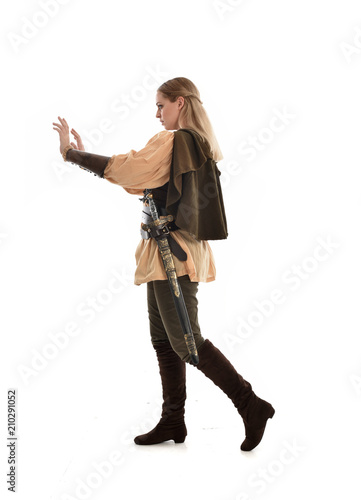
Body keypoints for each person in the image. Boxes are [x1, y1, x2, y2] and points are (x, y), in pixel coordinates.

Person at [52, 77, 275, 451]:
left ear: (181, 103)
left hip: (174, 254)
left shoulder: (174, 141)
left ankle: (251, 405)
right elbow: (141, 179)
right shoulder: (194, 145)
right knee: (164, 340)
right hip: (164, 252)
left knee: (187, 341)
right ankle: (173, 420)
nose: (157, 113)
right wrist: (95, 160)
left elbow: (129, 170)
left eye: (161, 105)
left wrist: (71, 154)